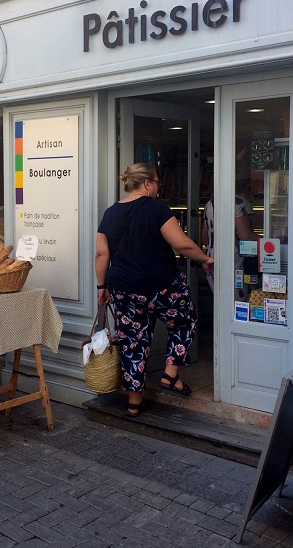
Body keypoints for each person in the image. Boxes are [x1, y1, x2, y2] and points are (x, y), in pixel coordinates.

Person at [96, 163, 214, 418]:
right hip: (161, 286)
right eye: (157, 183)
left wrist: (101, 287)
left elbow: (101, 253)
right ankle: (170, 374)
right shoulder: (157, 209)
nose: (158, 188)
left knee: (133, 342)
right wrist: (205, 259)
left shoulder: (110, 213)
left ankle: (134, 402)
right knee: (185, 321)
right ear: (147, 183)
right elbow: (181, 244)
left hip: (124, 288)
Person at [201, 195, 259, 296]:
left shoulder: (209, 204)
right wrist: (270, 241)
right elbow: (246, 236)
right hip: (234, 261)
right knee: (238, 302)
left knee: (220, 302)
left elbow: (204, 239)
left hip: (212, 259)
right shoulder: (238, 203)